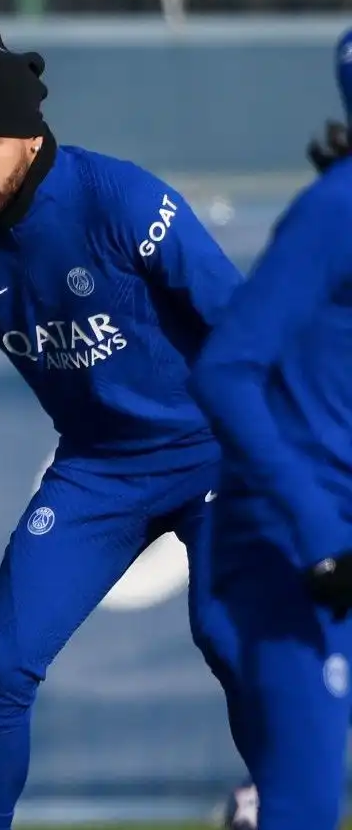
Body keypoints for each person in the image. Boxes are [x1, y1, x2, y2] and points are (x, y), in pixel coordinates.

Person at [0, 21, 251, 830]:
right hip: (97, 470)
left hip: (213, 455)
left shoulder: (120, 198)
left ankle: (278, 803)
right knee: (2, 669)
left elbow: (241, 325)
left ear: (28, 138)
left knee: (228, 639)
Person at [190, 109, 352, 830]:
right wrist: (317, 531)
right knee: (306, 805)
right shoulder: (337, 208)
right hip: (304, 544)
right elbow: (224, 371)